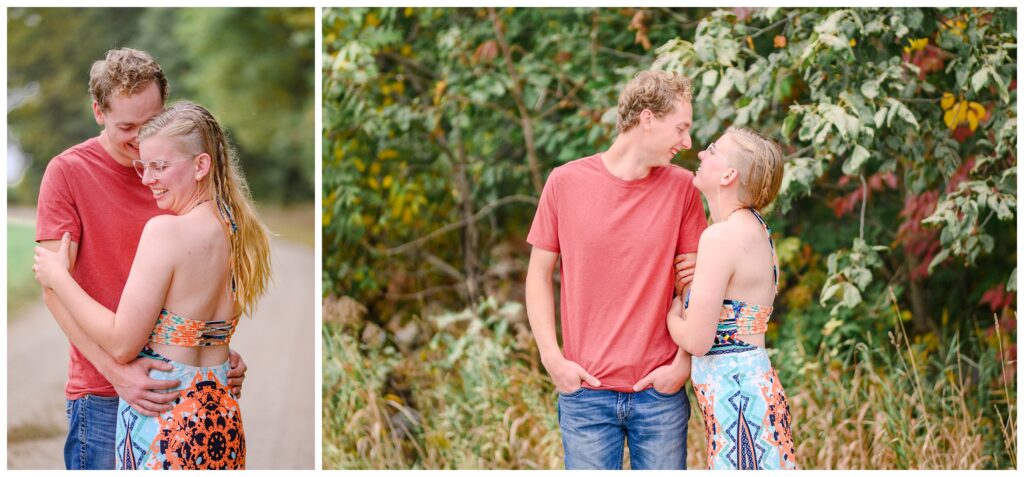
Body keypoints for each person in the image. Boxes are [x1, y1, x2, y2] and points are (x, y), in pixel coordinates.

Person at [34, 48, 249, 470]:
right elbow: (54, 291)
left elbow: (200, 280)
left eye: (150, 122)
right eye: (127, 126)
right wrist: (116, 374)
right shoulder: (67, 174)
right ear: (98, 111)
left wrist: (212, 349)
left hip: (178, 389)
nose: (139, 139)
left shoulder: (178, 174)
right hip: (101, 393)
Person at [525, 70, 707, 470]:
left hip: (659, 396)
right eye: (680, 128)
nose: (687, 142)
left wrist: (682, 366)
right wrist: (552, 359)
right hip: (586, 396)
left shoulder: (683, 190)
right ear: (646, 119)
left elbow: (697, 288)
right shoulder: (565, 182)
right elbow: (538, 276)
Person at [666, 126, 797, 470]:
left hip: (738, 400)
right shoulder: (756, 230)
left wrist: (673, 314)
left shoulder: (721, 236)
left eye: (712, 150)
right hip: (753, 390)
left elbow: (697, 339)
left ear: (728, 174)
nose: (700, 154)